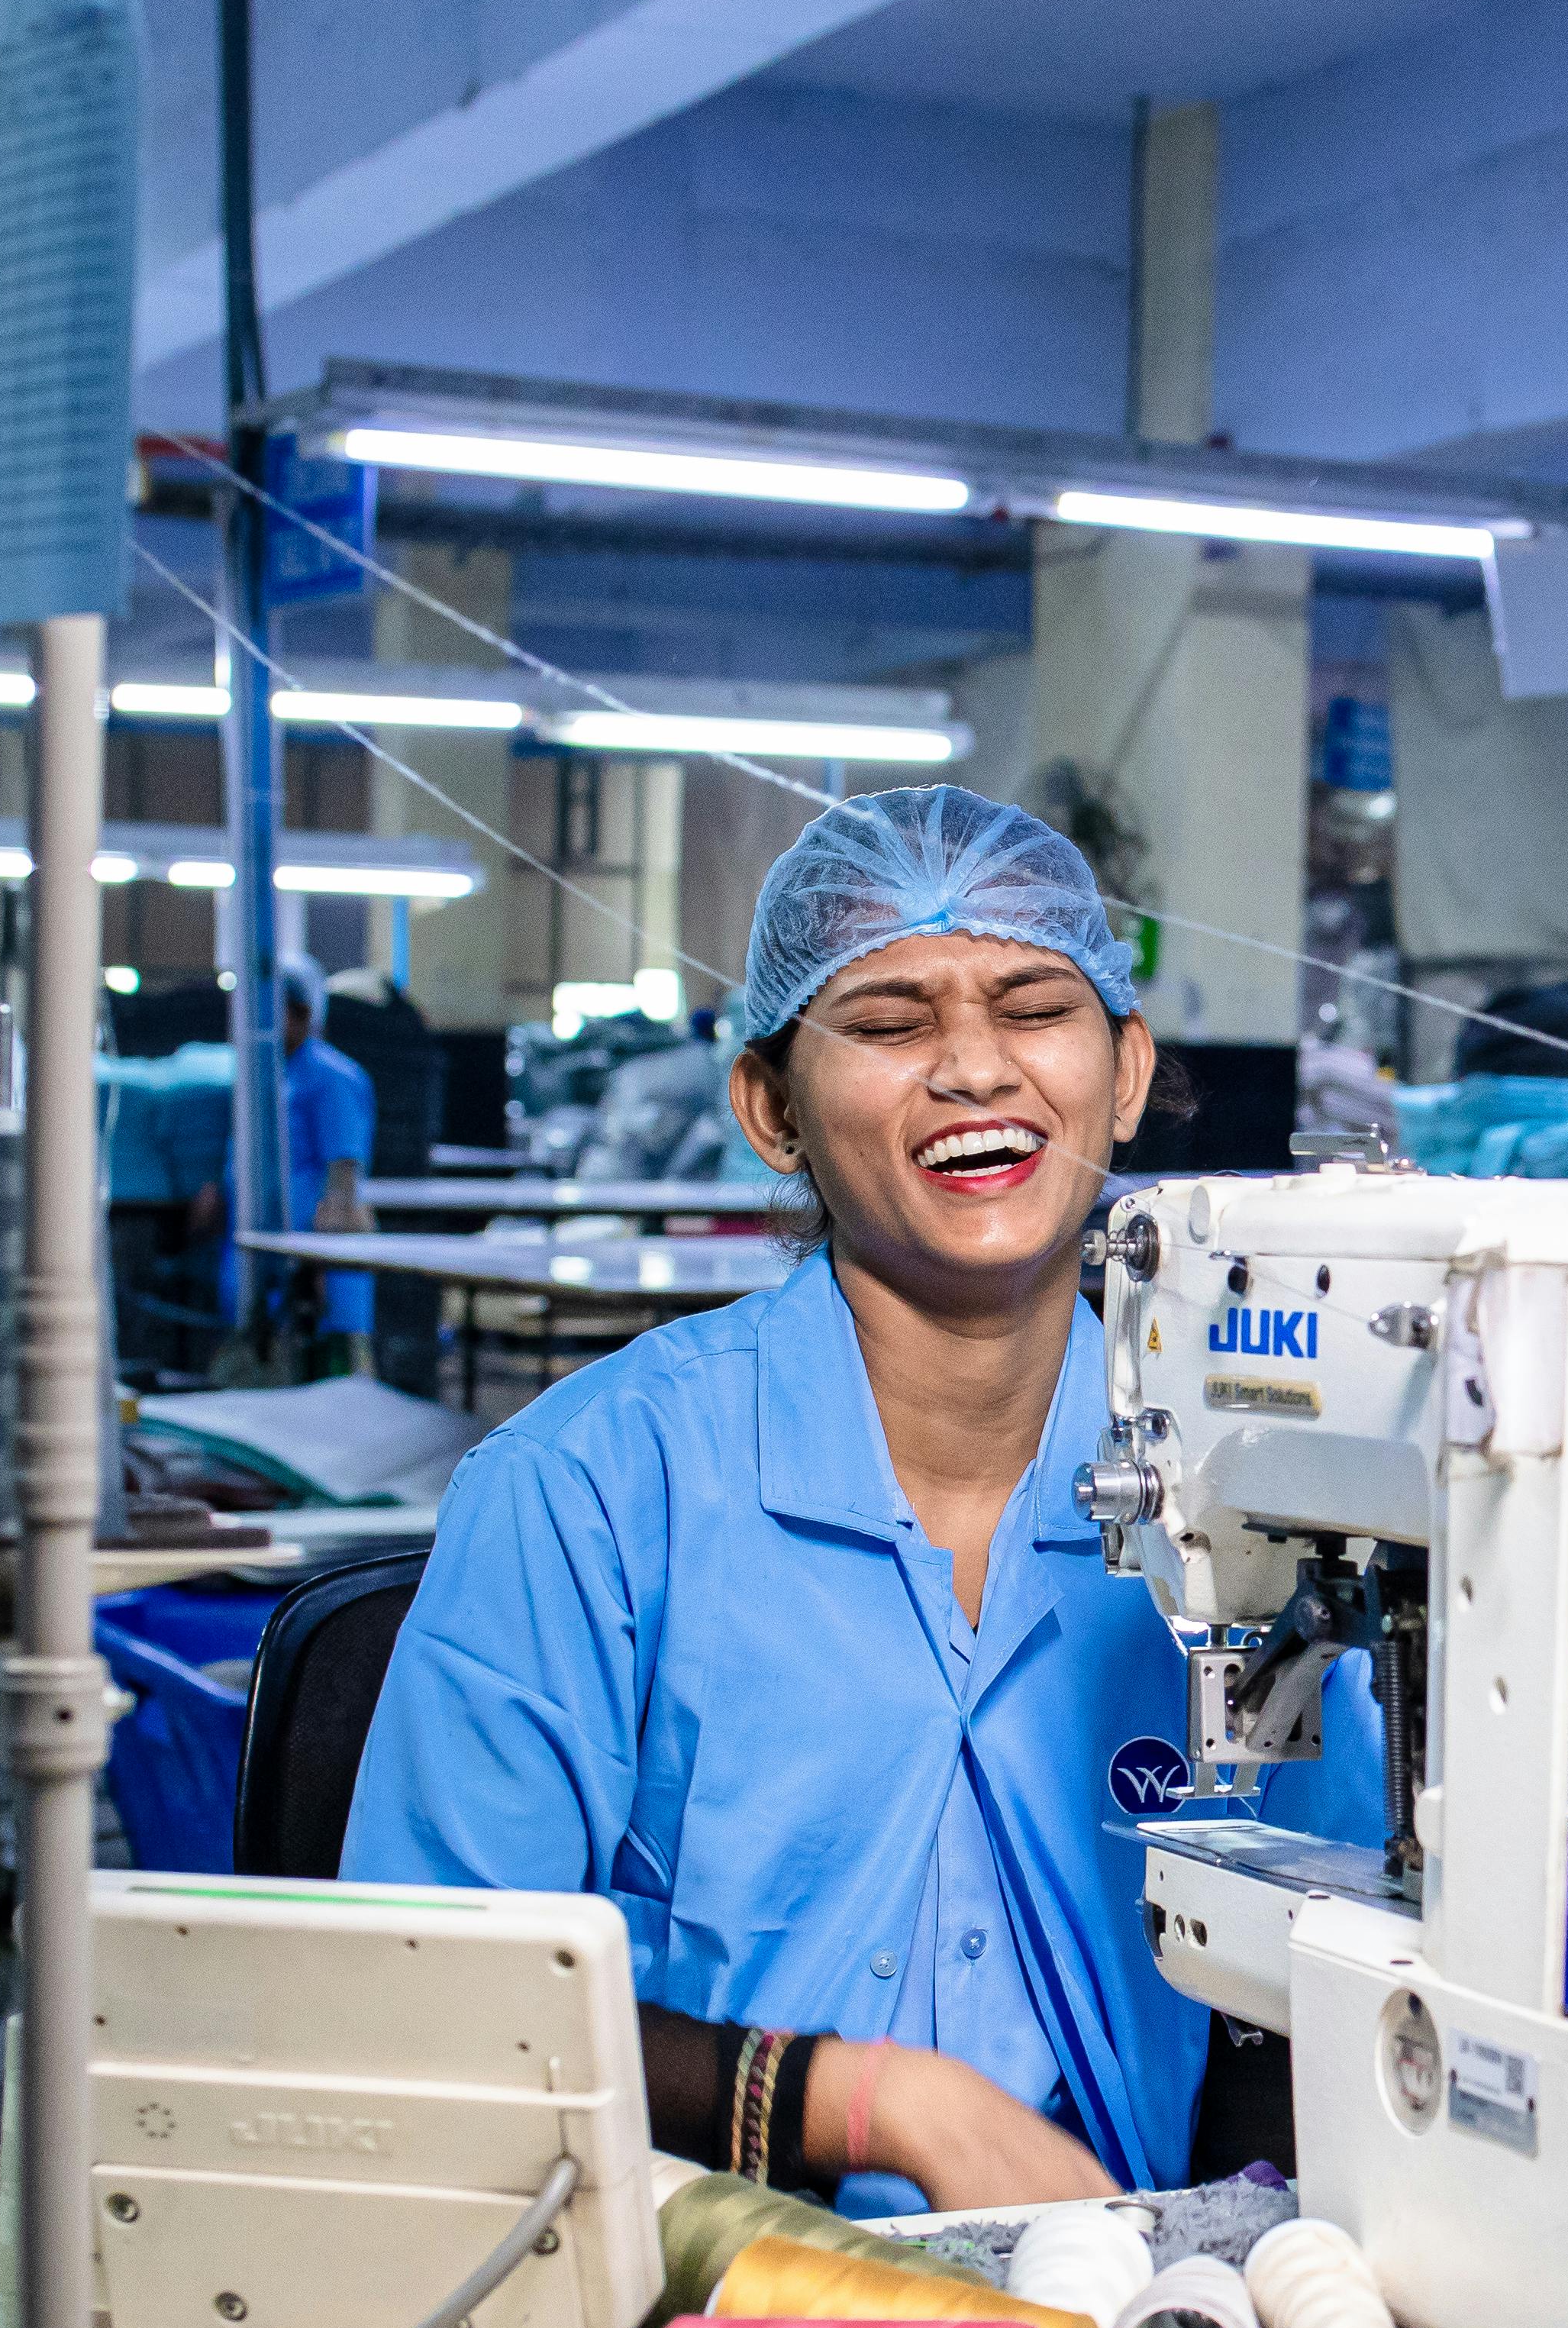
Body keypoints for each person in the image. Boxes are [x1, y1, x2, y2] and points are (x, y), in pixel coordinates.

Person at [340, 787, 1374, 2211]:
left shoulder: (1247, 1518)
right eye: (890, 1025)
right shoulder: (589, 1497)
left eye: (1035, 1010)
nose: (975, 1070)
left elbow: (1318, 1951)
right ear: (772, 1110)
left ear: (1126, 1074)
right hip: (700, 2285)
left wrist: (1234, 2258)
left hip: (1112, 2285)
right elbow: (427, 2004)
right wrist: (866, 2105)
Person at [179, 960, 382, 1351]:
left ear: (300, 1014)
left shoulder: (332, 1078)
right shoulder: (263, 1076)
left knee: (324, 1373)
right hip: (265, 1267)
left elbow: (343, 1176)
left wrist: (321, 1262)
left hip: (312, 1276)